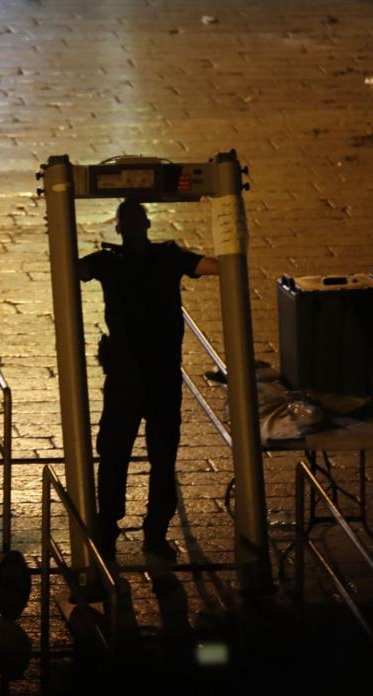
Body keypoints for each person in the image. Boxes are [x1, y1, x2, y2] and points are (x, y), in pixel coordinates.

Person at [78, 200, 222, 563]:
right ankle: (154, 536)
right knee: (162, 457)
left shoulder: (107, 262)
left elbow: (71, 269)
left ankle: (108, 533)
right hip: (161, 376)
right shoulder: (168, 258)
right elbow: (214, 267)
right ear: (147, 223)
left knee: (114, 456)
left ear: (118, 228)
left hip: (126, 377)